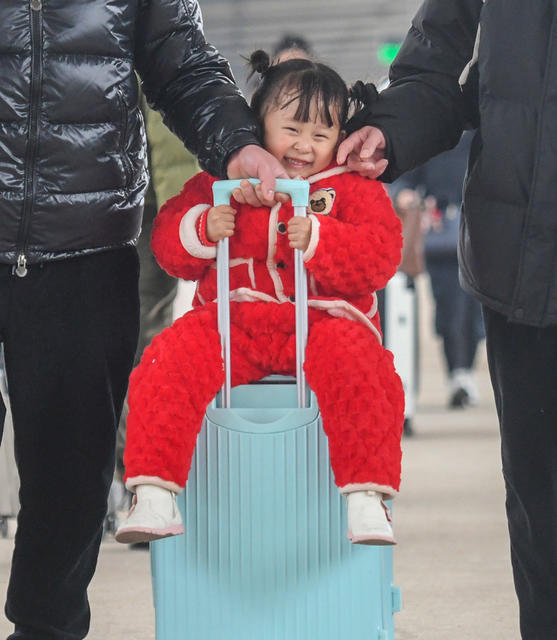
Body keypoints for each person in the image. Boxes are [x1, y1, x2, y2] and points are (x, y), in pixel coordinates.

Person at [0, 2, 290, 639]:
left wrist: (236, 142)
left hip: (84, 235)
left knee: (72, 469)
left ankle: (47, 630)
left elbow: (180, 58)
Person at [114, 51, 405, 548]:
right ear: (258, 121)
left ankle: (366, 498)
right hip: (234, 320)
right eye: (291, 129)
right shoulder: (222, 182)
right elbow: (167, 246)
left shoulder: (351, 189)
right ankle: (153, 490)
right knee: (166, 360)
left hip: (323, 321)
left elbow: (381, 255)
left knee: (363, 368)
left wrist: (321, 239)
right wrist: (202, 229)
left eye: (321, 135)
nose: (304, 146)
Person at [337, 1, 557, 637]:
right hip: (524, 265)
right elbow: (433, 67)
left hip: (518, 259)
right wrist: (390, 131)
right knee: (542, 515)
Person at [391, 131, 485, 409]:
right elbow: (405, 179)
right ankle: (458, 373)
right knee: (449, 308)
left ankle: (464, 372)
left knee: (474, 312)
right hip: (441, 239)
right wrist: (405, 196)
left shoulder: (482, 137)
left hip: (480, 236)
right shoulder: (434, 137)